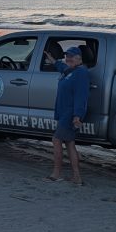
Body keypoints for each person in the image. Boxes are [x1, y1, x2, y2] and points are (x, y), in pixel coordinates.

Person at [48, 46, 90, 185]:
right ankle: (76, 177)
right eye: (67, 56)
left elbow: (81, 96)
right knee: (70, 143)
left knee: (56, 140)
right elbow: (62, 67)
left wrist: (77, 115)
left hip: (69, 114)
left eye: (71, 56)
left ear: (79, 58)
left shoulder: (81, 73)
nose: (68, 58)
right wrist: (53, 60)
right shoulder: (70, 70)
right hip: (64, 112)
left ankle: (56, 173)